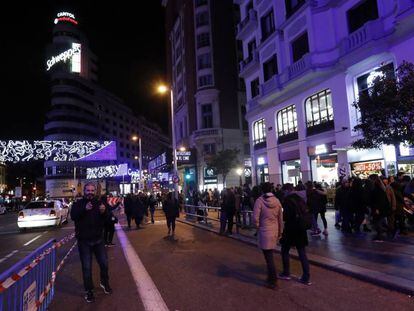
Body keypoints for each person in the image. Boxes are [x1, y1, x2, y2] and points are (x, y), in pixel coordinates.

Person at [70, 183, 112, 303]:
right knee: (87, 267)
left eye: (92, 190)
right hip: (84, 241)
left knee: (104, 264)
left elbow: (107, 219)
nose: (90, 192)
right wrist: (84, 209)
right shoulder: (78, 204)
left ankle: (104, 282)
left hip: (98, 240)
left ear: (95, 192)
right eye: (88, 190)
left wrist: (104, 212)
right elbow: (73, 216)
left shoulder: (99, 203)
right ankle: (89, 290)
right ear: (84, 191)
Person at [279, 183, 311, 285]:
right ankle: (306, 277)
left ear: (287, 190)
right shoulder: (300, 198)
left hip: (291, 229)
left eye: (284, 191)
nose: (283, 193)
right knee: (302, 253)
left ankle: (286, 272)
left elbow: (286, 216)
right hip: (301, 228)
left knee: (284, 250)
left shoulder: (288, 200)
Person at [253, 182, 283, 290]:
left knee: (269, 257)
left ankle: (273, 280)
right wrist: (280, 231)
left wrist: (258, 227)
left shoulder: (259, 201)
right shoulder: (277, 201)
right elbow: (280, 218)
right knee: (269, 255)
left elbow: (255, 218)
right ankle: (270, 277)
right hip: (274, 231)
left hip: (264, 231)